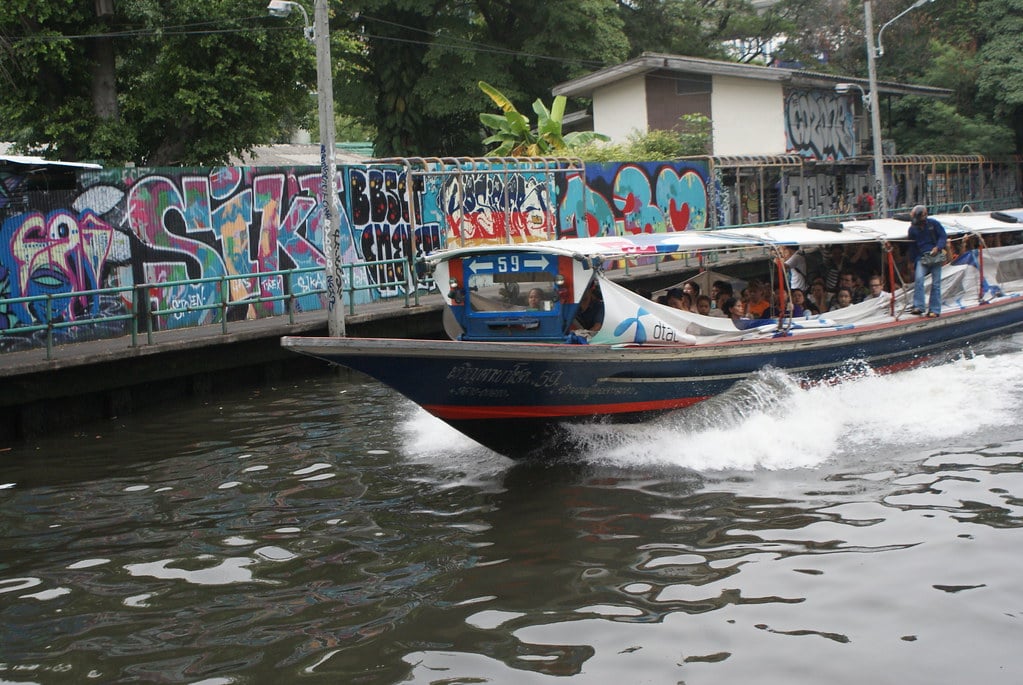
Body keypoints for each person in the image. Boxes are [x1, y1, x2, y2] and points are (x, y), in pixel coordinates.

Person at [908, 204, 948, 317]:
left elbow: (943, 236)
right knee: (919, 279)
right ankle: (919, 306)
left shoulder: (933, 224)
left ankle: (934, 310)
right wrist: (912, 261)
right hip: (921, 257)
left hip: (935, 256)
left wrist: (938, 247)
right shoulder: (912, 229)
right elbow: (912, 246)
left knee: (936, 283)